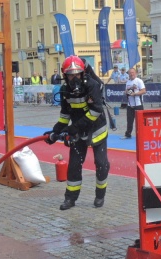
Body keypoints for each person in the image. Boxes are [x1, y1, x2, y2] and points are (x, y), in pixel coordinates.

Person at [43, 55, 110, 210]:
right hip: (78, 132)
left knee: (101, 164)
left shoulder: (92, 86)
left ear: (82, 74)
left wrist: (74, 128)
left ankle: (100, 195)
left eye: (77, 74)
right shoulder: (64, 90)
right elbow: (65, 116)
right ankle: (70, 199)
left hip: (96, 130)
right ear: (65, 75)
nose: (74, 78)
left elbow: (95, 111)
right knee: (74, 166)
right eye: (71, 75)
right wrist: (55, 132)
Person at [121, 68, 146, 139]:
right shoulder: (128, 82)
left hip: (138, 104)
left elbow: (144, 91)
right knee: (129, 121)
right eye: (130, 73)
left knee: (140, 121)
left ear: (135, 73)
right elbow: (127, 91)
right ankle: (128, 134)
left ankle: (142, 134)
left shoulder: (139, 81)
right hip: (130, 105)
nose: (131, 74)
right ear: (128, 74)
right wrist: (126, 92)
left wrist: (135, 94)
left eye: (133, 72)